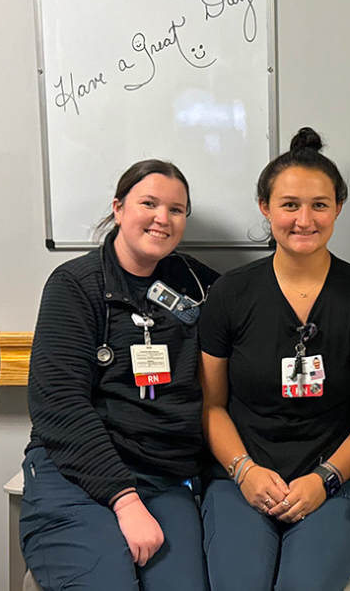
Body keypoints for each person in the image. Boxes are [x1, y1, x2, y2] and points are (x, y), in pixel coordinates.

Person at [198, 127, 350, 590]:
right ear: (265, 208)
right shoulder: (231, 294)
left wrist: (324, 479)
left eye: (319, 205)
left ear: (338, 210)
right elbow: (211, 406)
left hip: (338, 482)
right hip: (241, 481)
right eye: (289, 205)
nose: (304, 219)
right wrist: (244, 472)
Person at [21, 160, 218, 591]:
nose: (161, 218)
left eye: (176, 210)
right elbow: (59, 405)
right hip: (76, 474)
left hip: (165, 479)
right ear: (118, 208)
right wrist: (124, 501)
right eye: (148, 203)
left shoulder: (196, 285)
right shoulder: (74, 285)